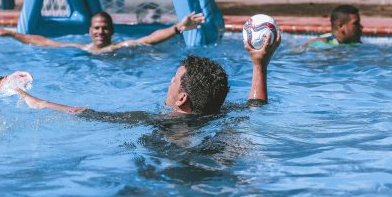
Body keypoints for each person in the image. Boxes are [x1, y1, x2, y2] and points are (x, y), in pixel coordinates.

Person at [16, 32, 281, 117]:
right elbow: (256, 105)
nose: (169, 82)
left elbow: (88, 114)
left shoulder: (161, 124)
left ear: (182, 99)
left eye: (174, 80)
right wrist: (260, 64)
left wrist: (38, 101)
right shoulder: (220, 113)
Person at [0, 11, 205, 54]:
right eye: (96, 28)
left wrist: (178, 27)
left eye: (104, 28)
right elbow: (42, 42)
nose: (100, 31)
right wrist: (11, 34)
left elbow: (148, 39)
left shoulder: (120, 47)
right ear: (90, 31)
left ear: (111, 31)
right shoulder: (81, 48)